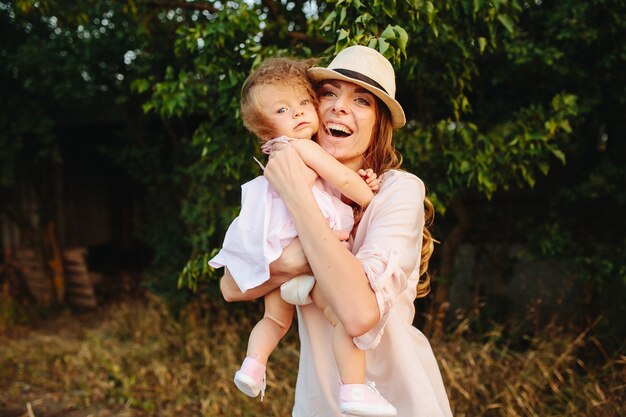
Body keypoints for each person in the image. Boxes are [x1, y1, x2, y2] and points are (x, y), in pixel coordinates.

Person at [220, 45, 454, 416]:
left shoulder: (398, 190)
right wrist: (294, 250)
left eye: (361, 101)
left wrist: (297, 200)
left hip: (400, 402)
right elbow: (232, 286)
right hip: (320, 405)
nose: (340, 107)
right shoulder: (284, 182)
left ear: (378, 124)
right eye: (329, 93)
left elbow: (359, 315)